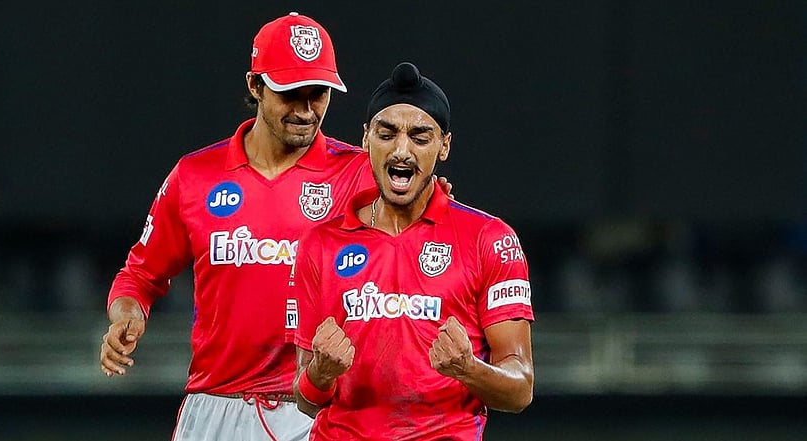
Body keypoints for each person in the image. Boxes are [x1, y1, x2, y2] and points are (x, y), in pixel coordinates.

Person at [97, 12, 385, 441]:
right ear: (255, 86)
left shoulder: (360, 174)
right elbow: (139, 275)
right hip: (216, 408)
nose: (306, 111)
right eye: (291, 94)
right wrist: (126, 316)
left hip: (319, 410)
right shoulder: (195, 177)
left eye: (319, 94)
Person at [292, 62, 535, 440]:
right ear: (365, 139)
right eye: (387, 134)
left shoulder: (489, 238)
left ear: (444, 146)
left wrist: (468, 368)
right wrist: (321, 373)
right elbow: (306, 398)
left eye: (420, 137)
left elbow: (520, 389)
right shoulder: (320, 244)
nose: (401, 150)